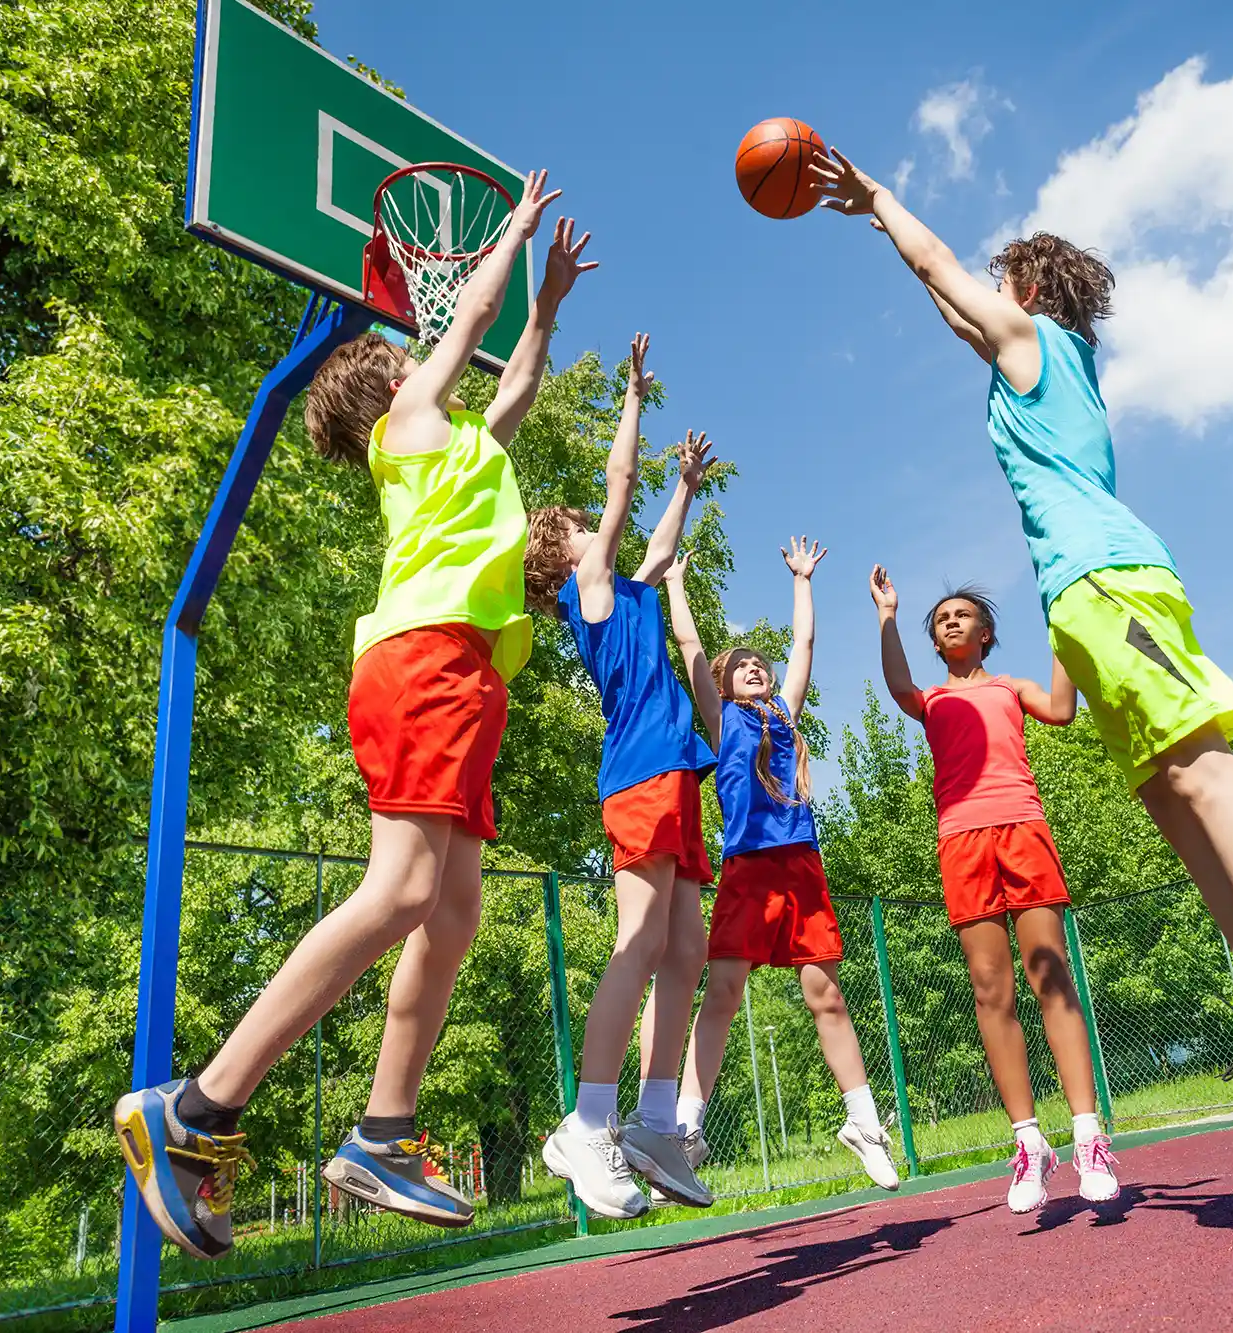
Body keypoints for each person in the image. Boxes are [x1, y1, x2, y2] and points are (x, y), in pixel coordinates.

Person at [813, 150, 1233, 1158]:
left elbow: (943, 275)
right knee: (1164, 791)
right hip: (1082, 604)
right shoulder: (1036, 365)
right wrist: (919, 270)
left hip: (1111, 583)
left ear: (1022, 290)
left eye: (996, 285)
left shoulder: (1036, 340)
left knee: (1200, 768)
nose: (978, 300)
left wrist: (880, 203)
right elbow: (947, 303)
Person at [115, 175, 590, 1260]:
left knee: (453, 906)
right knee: (403, 889)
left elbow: (508, 378)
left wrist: (548, 309)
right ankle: (195, 1108)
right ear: (388, 388)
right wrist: (509, 236)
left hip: (464, 677)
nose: (430, 357)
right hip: (422, 659)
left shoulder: (463, 450)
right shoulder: (409, 426)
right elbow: (469, 323)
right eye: (407, 357)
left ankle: (382, 1128)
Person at [520, 340, 717, 1218]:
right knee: (639, 945)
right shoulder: (589, 592)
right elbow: (617, 487)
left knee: (688, 950)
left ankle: (650, 1118)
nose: (589, 526)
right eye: (574, 529)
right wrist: (634, 397)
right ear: (562, 561)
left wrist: (686, 486)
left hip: (673, 777)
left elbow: (660, 541)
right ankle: (586, 1121)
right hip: (641, 775)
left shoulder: (628, 591)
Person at [652, 539, 901, 1195]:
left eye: (761, 665)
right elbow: (692, 650)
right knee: (724, 994)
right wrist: (676, 584)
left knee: (826, 994)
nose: (757, 669)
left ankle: (864, 1124)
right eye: (745, 667)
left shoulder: (784, 714)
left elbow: (805, 644)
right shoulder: (722, 716)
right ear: (728, 684)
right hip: (746, 870)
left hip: (800, 867)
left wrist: (802, 580)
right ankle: (685, 1129)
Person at [870, 570, 1117, 1211]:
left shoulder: (1012, 687)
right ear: (937, 642)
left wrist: (1066, 628)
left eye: (961, 615)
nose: (950, 621)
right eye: (941, 619)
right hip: (962, 841)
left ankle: (1089, 1135)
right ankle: (1030, 1143)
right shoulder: (931, 700)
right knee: (991, 990)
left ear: (985, 635)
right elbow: (898, 683)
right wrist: (888, 614)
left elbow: (1062, 709)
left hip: (1023, 830)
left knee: (1051, 979)